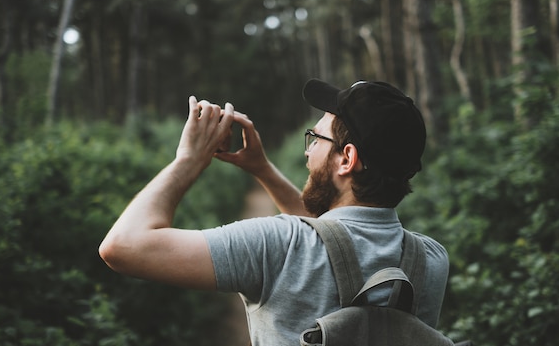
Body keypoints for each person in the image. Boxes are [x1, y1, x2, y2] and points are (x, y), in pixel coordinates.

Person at [99, 78, 449, 345]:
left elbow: (123, 247)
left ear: (348, 159)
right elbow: (335, 242)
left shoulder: (279, 244)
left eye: (316, 138)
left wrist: (189, 160)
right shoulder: (430, 261)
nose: (307, 152)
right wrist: (262, 169)